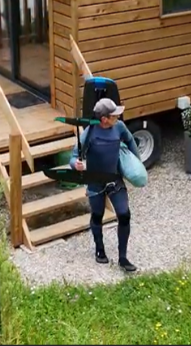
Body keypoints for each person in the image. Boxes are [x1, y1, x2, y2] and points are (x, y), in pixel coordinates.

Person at [69, 98, 139, 273]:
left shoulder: (120, 127)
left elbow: (130, 141)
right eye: (114, 115)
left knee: (124, 214)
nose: (118, 116)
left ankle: (123, 258)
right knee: (97, 216)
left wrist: (136, 163)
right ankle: (99, 249)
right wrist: (75, 164)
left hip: (115, 179)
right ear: (104, 119)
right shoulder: (90, 132)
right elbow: (74, 156)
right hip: (95, 181)